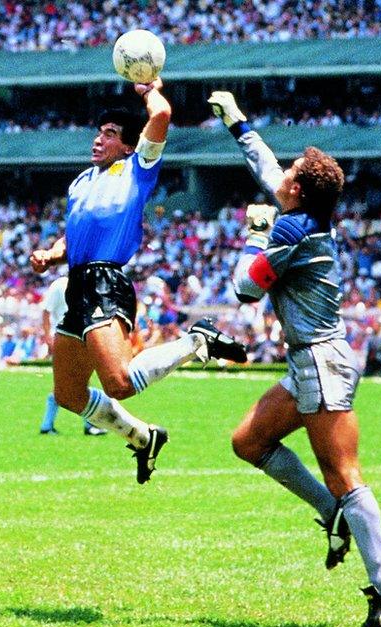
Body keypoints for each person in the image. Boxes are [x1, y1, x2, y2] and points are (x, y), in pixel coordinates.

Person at [208, 90, 381, 627]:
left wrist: (253, 235)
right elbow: (267, 167)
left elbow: (245, 289)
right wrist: (237, 123)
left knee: (344, 473)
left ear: (297, 190)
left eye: (291, 171)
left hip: (321, 362)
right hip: (309, 362)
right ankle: (332, 513)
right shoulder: (302, 213)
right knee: (248, 440)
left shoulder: (294, 232)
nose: (283, 173)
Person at [29, 78, 246, 485]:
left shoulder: (137, 168)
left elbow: (162, 115)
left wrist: (149, 89)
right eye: (99, 132)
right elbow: (73, 235)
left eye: (109, 134)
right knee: (69, 395)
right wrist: (52, 254)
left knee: (120, 383)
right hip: (78, 282)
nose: (98, 139)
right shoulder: (80, 182)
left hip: (106, 281)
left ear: (129, 145)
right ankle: (143, 437)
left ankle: (195, 342)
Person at [39, 274, 105, 436]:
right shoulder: (60, 284)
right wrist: (48, 337)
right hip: (65, 337)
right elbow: (46, 311)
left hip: (81, 338)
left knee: (74, 382)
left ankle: (48, 425)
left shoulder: (88, 286)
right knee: (72, 383)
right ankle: (88, 425)